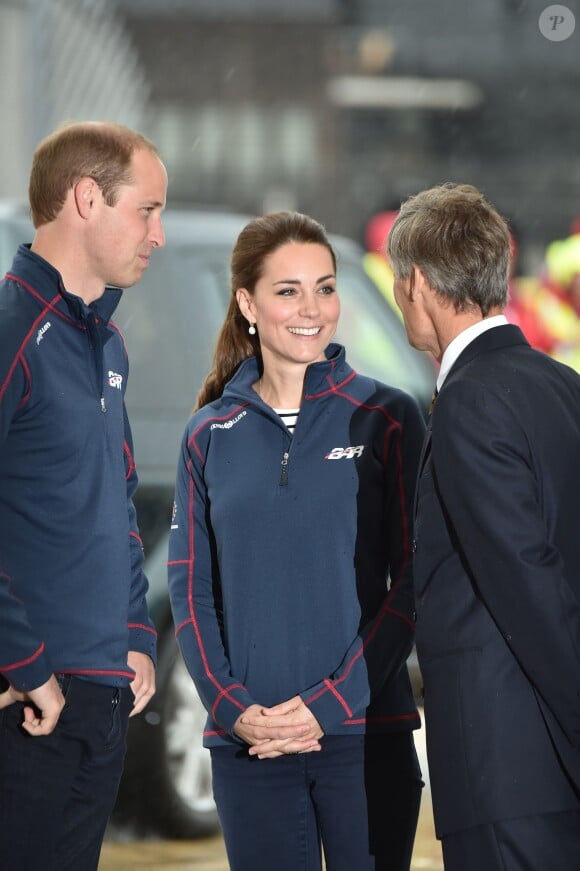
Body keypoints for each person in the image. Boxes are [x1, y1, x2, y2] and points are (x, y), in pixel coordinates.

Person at [168, 211, 425, 871]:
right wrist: (231, 707)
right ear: (248, 304)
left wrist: (330, 705)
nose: (312, 308)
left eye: (326, 287)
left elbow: (418, 578)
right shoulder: (208, 433)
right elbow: (191, 589)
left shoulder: (387, 418)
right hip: (248, 743)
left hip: (366, 738)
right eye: (288, 291)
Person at [387, 182, 580, 871]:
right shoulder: (563, 386)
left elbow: (527, 587)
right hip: (547, 769)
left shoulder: (469, 399)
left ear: (415, 283)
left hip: (509, 767)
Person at [0, 121, 166, 870]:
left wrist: (134, 633)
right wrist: (23, 661)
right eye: (148, 210)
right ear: (87, 198)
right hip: (30, 703)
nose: (156, 235)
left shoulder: (109, 345)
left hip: (99, 698)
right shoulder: (12, 330)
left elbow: (117, 502)